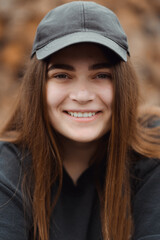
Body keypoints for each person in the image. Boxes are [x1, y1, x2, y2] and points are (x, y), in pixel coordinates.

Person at [0, 1, 160, 240]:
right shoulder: (8, 166)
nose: (82, 96)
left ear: (123, 85)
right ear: (38, 86)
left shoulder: (153, 151)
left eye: (101, 75)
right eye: (62, 75)